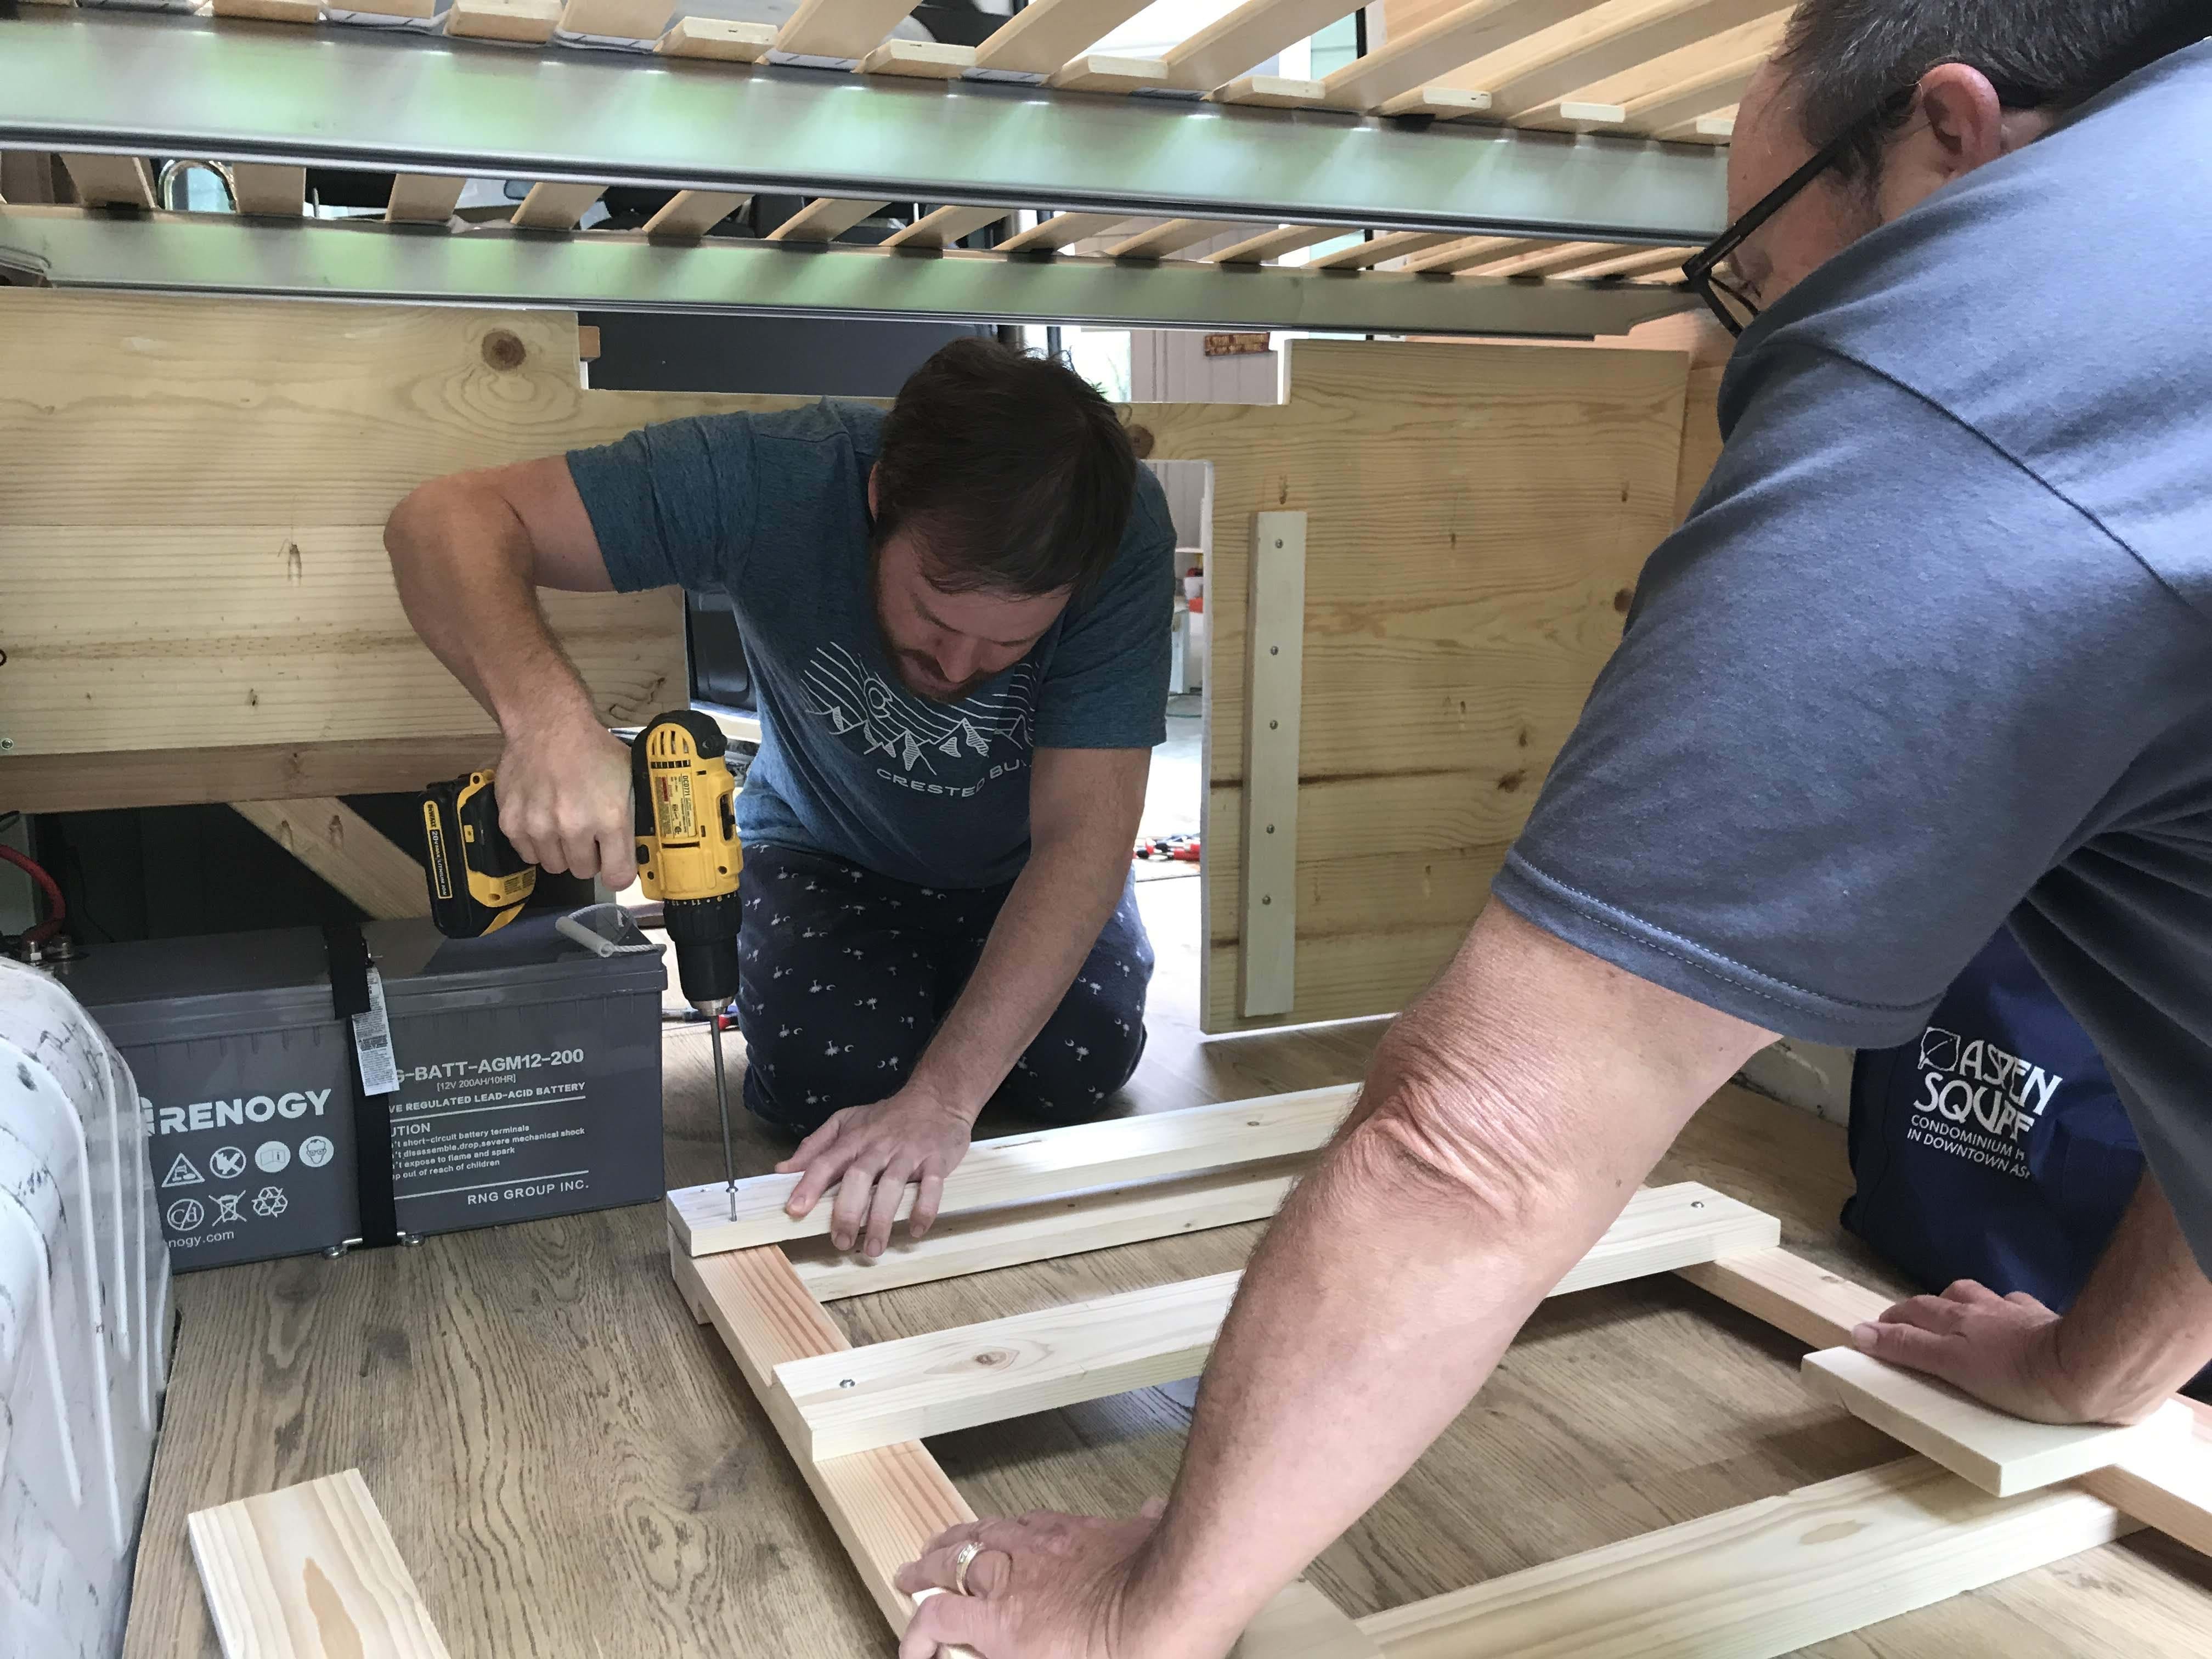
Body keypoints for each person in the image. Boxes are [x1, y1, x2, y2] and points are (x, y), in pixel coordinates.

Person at [891, 5, 2212, 1654]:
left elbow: (1480, 1140)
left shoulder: (1984, 338)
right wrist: (2098, 1369)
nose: (1750, 328)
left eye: (1749, 266)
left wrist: (1143, 1607)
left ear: (1951, 136)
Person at [385, 340, 1176, 1259]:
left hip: (1025, 863)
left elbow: (1082, 836)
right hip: (825, 848)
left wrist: (943, 1099)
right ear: (880, 499)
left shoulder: (1121, 533)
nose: (959, 667)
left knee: (1078, 1065)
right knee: (828, 1078)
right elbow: (440, 520)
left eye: (1009, 644)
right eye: (934, 615)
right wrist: (549, 727)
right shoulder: (774, 478)